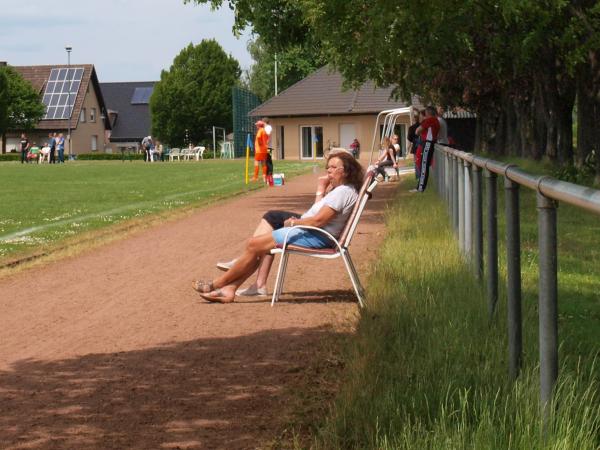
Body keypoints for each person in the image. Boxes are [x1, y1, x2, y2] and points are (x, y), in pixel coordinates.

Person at [192, 151, 365, 303]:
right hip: (313, 232)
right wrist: (320, 191)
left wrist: (294, 222)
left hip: (315, 235)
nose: (328, 171)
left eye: (334, 167)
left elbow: (318, 221)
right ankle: (229, 289)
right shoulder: (343, 190)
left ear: (346, 171)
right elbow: (317, 217)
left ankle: (217, 284)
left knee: (253, 245)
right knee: (256, 246)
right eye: (328, 167)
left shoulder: (342, 192)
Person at [412, 106, 440, 193]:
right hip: (430, 143)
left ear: (427, 113)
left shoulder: (429, 120)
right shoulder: (436, 120)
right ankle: (420, 187)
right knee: (424, 165)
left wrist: (421, 127)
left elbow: (417, 131)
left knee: (423, 165)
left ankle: (420, 188)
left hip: (427, 143)